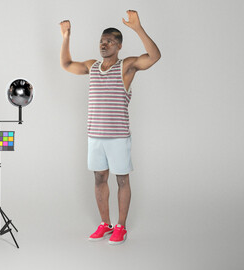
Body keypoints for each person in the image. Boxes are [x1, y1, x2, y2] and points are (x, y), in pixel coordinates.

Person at [59, 10, 160, 245]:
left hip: (117, 138)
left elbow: (154, 56)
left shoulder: (127, 67)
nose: (104, 45)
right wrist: (66, 36)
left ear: (119, 46)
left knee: (122, 180)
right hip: (95, 137)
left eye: (110, 41)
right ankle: (105, 224)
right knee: (98, 179)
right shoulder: (92, 66)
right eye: (102, 41)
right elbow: (65, 64)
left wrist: (137, 28)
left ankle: (121, 227)